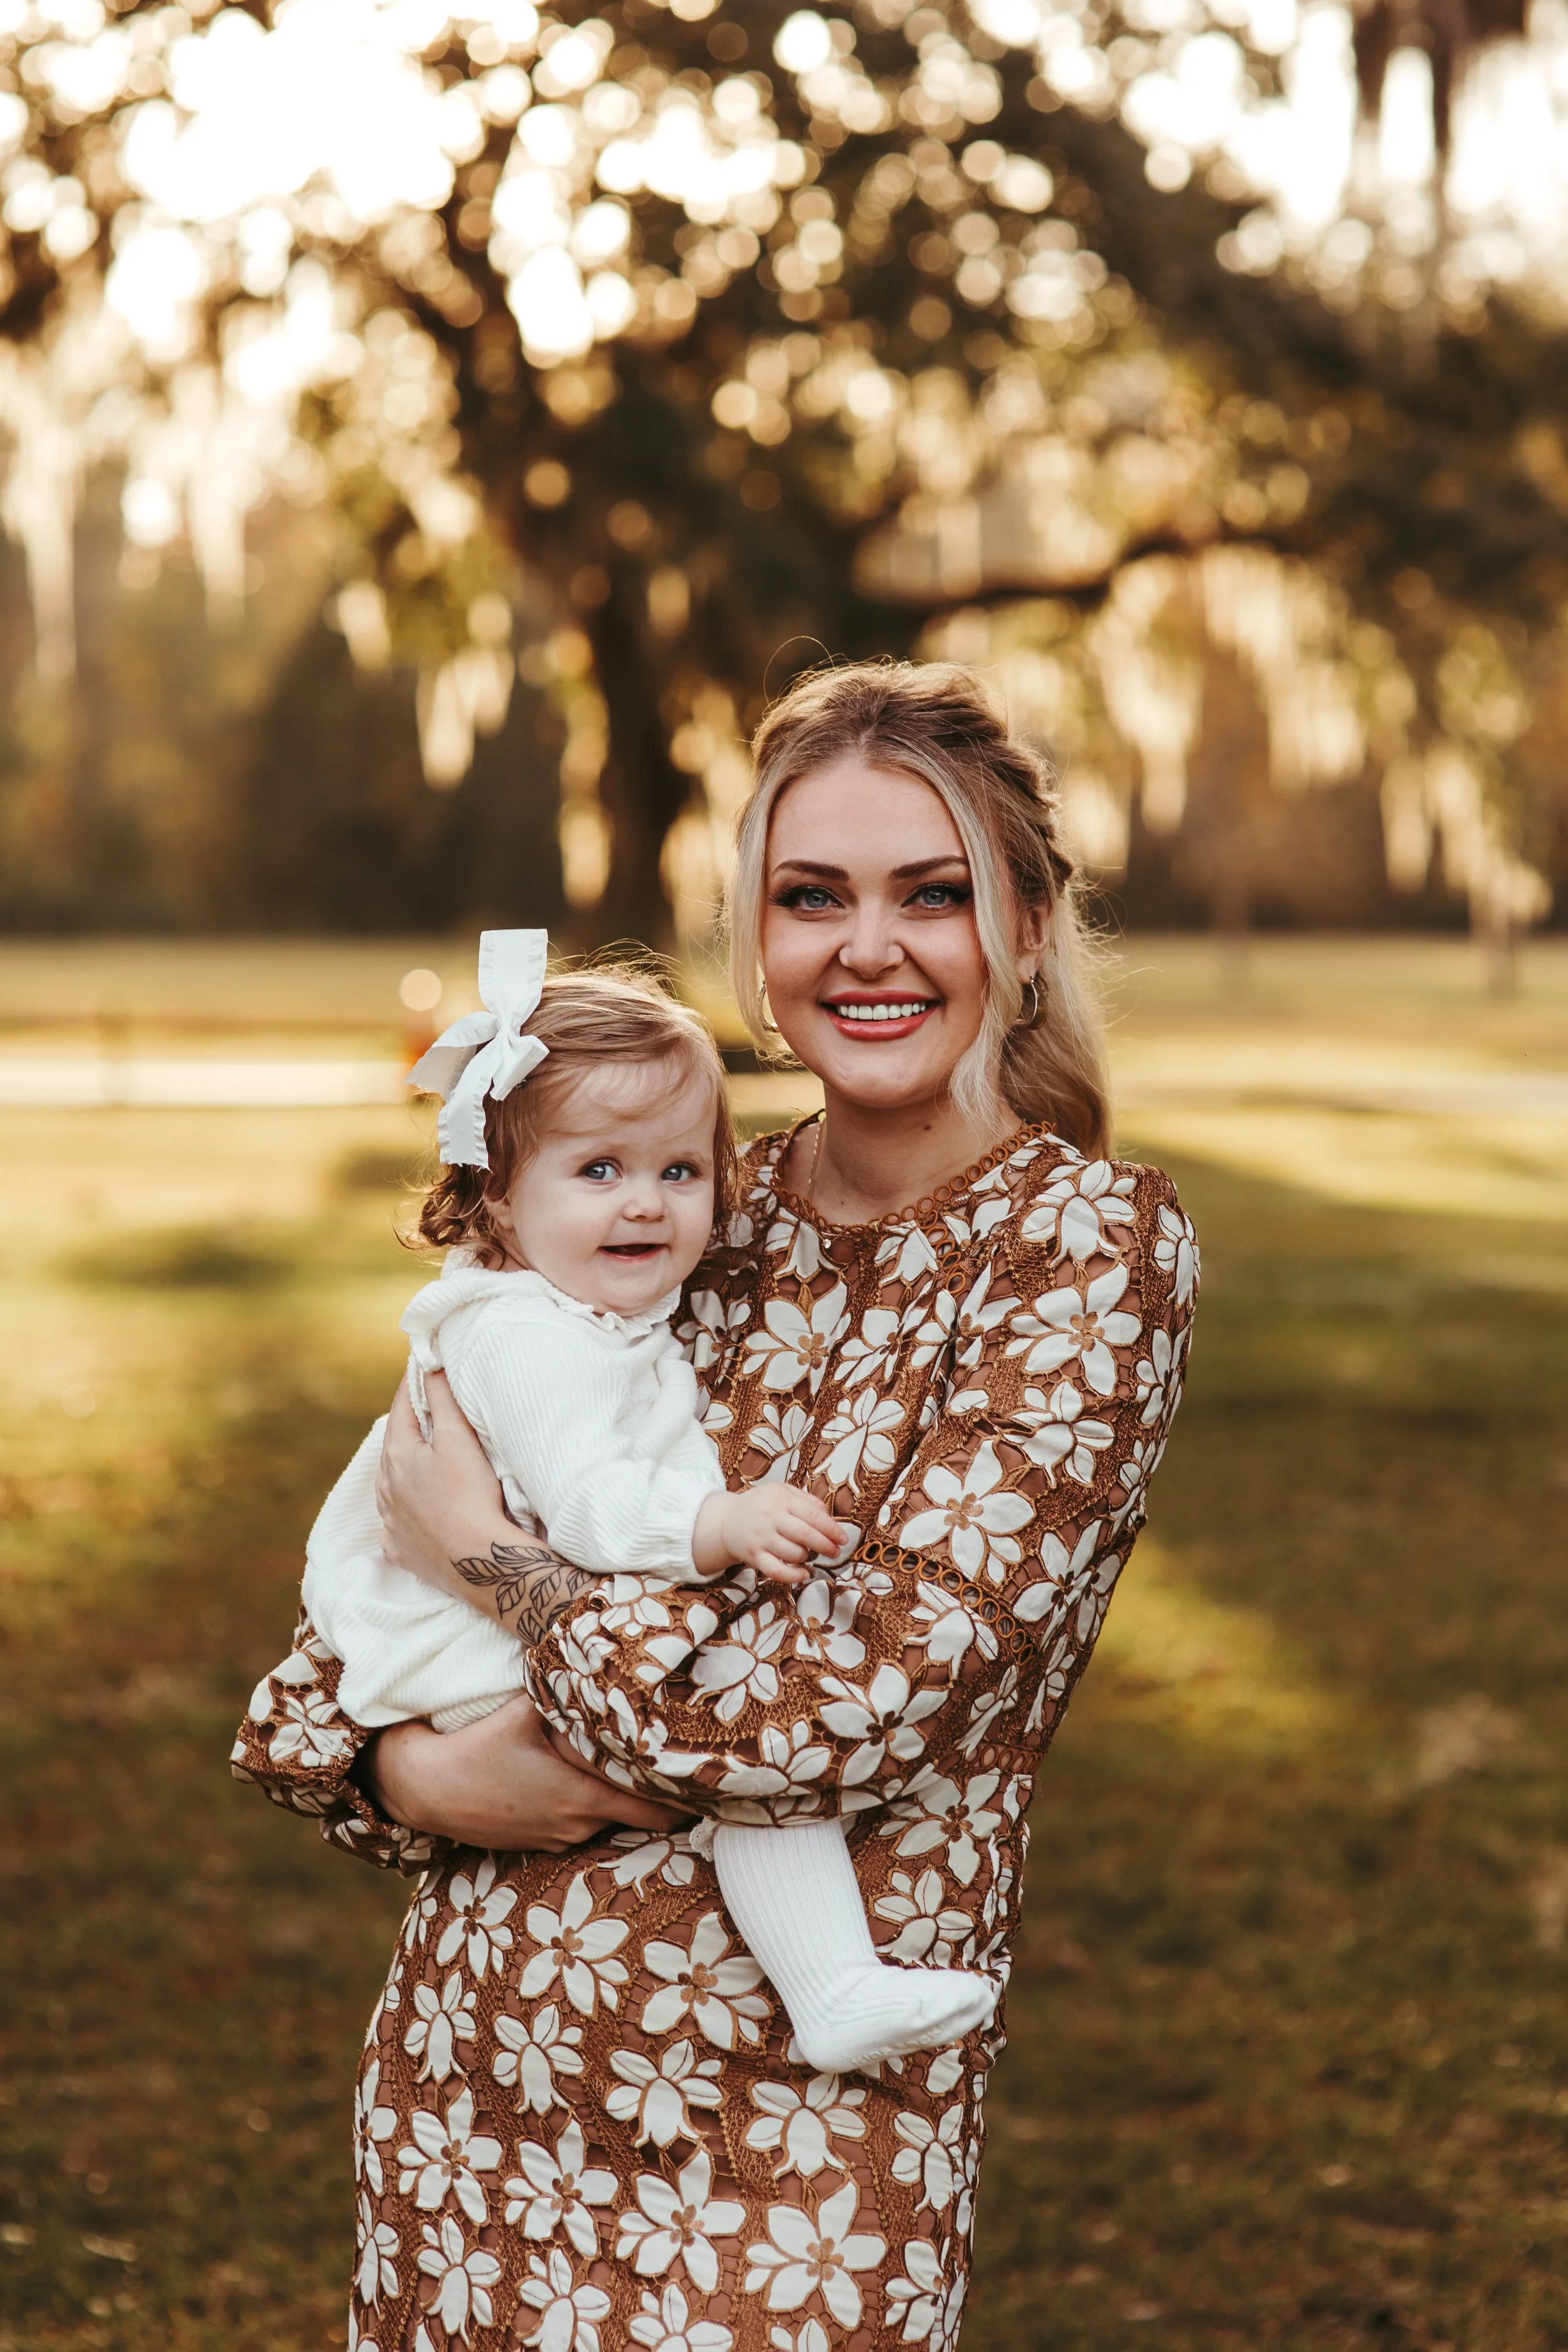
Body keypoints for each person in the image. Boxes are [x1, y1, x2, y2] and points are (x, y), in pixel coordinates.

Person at [233, 660, 1200, 2352]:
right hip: (483, 2100)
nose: (867, 946)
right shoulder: (666, 1198)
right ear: (754, 936)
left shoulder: (1082, 1252)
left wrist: (507, 1576)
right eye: (810, 895)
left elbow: (834, 1711)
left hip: (796, 2150)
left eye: (933, 892)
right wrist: (415, 1766)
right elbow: (344, 1630)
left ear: (1029, 928)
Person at [301, 933, 1000, 2072]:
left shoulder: (577, 1308)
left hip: (498, 1624)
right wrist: (720, 1525)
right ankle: (830, 1987)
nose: (647, 1206)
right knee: (739, 1726)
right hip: (456, 1650)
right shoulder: (529, 1339)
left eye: (680, 1171)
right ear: (500, 1202)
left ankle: (829, 1988)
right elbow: (584, 1505)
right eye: (599, 1170)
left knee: (728, 1716)